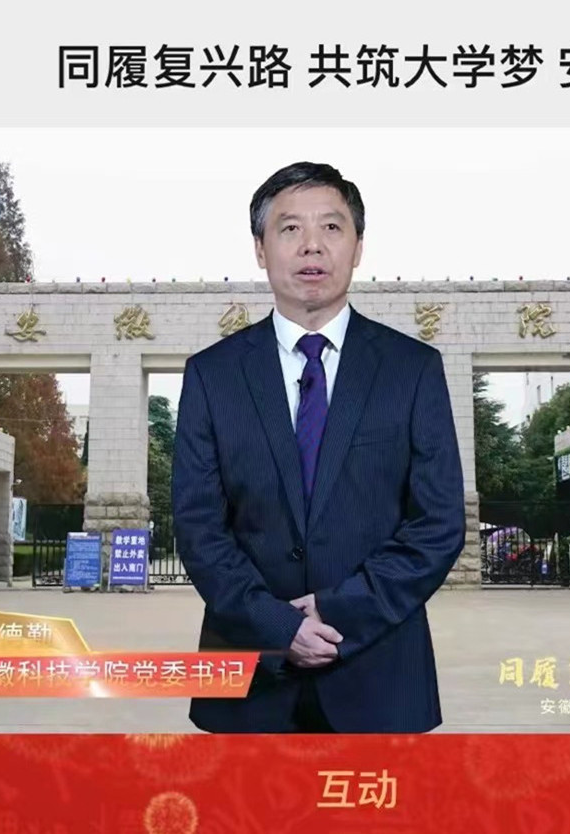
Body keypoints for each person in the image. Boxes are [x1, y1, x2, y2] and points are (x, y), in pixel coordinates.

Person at [172, 161, 465, 733]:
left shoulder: (412, 370)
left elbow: (438, 524)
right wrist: (277, 625)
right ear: (260, 250)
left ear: (358, 247)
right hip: (250, 680)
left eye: (331, 227)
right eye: (290, 229)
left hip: (380, 675)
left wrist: (340, 609)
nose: (312, 245)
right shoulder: (212, 375)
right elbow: (199, 527)